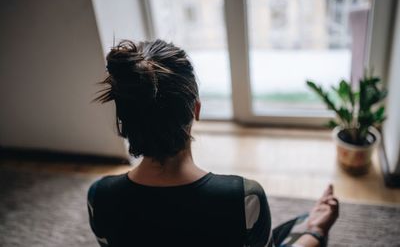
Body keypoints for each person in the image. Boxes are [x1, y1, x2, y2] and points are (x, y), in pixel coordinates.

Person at [87, 39, 339, 247]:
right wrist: (316, 232)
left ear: (124, 118)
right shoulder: (243, 197)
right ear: (195, 110)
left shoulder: (100, 197)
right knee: (305, 223)